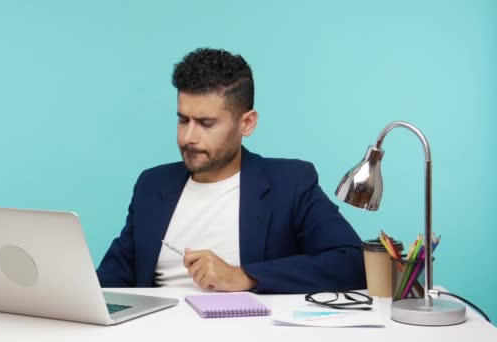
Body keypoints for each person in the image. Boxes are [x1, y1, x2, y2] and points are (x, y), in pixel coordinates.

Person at [96, 48, 366, 293]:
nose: (188, 137)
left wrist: (245, 277)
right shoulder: (152, 184)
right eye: (183, 120)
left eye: (206, 123)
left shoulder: (290, 183)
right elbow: (113, 276)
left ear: (246, 123)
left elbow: (351, 262)